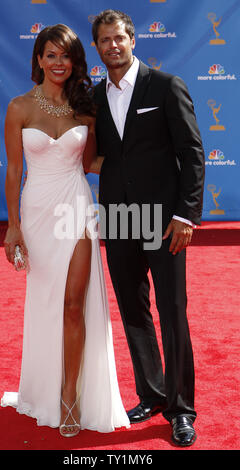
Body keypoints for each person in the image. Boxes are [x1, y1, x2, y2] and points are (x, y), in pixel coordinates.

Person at [1, 23, 130, 436]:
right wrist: (12, 227)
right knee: (47, 303)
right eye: (50, 54)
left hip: (76, 206)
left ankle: (69, 393)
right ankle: (41, 386)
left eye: (66, 55)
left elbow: (91, 163)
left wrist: (149, 167)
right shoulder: (19, 107)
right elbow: (14, 171)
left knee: (75, 304)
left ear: (76, 61)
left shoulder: (85, 107)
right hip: (38, 213)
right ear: (38, 59)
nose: (59, 62)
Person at [91, 10, 205, 446]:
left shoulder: (165, 85)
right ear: (98, 47)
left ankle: (181, 409)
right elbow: (103, 156)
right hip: (118, 218)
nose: (112, 46)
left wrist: (185, 215)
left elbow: (193, 151)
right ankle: (152, 394)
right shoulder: (95, 97)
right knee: (135, 312)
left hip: (165, 220)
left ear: (133, 39)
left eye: (118, 38)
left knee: (173, 313)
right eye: (104, 41)